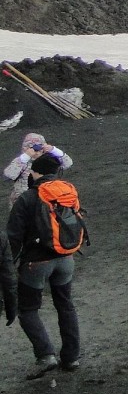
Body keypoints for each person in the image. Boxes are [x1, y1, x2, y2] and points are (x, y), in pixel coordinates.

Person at [6, 153, 82, 379]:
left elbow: (13, 238)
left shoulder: (28, 198)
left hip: (37, 263)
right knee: (65, 305)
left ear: (35, 172)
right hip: (66, 258)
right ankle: (72, 358)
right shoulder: (67, 191)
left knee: (27, 309)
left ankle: (45, 356)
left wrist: (9, 267)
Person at [4, 133, 73, 208]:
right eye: (33, 147)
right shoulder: (21, 161)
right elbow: (9, 174)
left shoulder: (48, 160)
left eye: (39, 147)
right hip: (22, 200)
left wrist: (54, 150)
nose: (37, 151)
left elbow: (68, 163)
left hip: (45, 198)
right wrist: (25, 157)